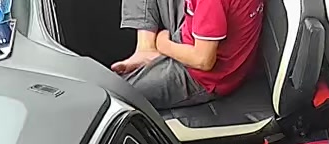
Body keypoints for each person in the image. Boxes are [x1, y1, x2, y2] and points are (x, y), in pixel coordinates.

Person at [112, 0, 266, 111]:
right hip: (199, 33)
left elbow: (203, 61)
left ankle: (154, 52)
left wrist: (163, 44)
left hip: (203, 76)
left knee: (118, 95)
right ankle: (146, 50)